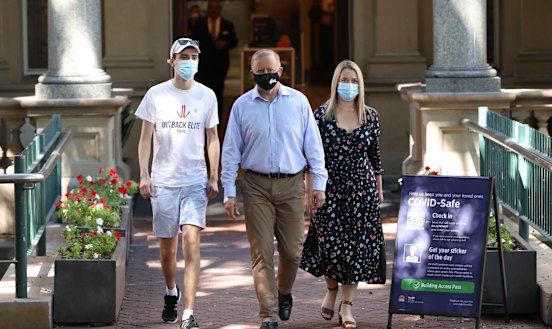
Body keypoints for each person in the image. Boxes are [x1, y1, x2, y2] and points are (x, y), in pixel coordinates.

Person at [221, 48, 328, 329]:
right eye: (260, 71)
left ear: (280, 71)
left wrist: (318, 185)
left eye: (271, 70)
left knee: (293, 251)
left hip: (292, 184)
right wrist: (229, 191)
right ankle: (267, 315)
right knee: (261, 253)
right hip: (255, 184)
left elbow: (314, 147)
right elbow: (231, 152)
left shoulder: (299, 102)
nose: (266, 75)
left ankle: (283, 292)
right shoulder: (242, 106)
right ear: (252, 72)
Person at [136, 37, 220, 329]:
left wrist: (213, 175)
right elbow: (145, 138)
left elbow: (212, 138)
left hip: (194, 181)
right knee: (168, 250)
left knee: (192, 241)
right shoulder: (156, 95)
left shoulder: (207, 95)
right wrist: (144, 175)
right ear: (171, 61)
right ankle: (171, 291)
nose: (189, 62)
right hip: (164, 182)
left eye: (194, 57)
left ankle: (188, 313)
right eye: (183, 56)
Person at [300, 60, 386, 329]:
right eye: (344, 80)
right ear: (335, 82)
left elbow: (376, 158)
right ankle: (331, 289)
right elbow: (311, 158)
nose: (348, 86)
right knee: (330, 245)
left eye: (353, 81)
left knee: (357, 248)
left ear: (360, 84)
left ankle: (347, 306)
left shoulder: (370, 117)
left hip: (362, 190)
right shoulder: (321, 115)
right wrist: (310, 191)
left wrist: (379, 191)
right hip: (329, 190)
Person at [191, 0, 238, 125]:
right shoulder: (200, 24)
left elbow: (234, 41)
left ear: (220, 9)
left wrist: (225, 44)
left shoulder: (227, 25)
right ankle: (202, 120)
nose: (213, 10)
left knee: (218, 93)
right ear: (208, 9)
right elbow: (194, 42)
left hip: (219, 66)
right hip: (203, 66)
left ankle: (217, 121)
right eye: (211, 7)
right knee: (202, 92)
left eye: (216, 8)